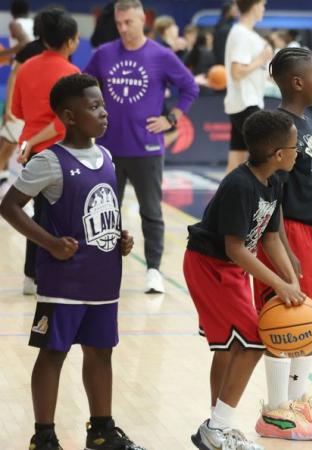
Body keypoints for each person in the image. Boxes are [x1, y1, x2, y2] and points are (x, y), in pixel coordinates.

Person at [0, 73, 143, 450]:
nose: (103, 112)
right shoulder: (49, 161)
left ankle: (101, 431)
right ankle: (43, 436)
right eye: (93, 106)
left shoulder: (107, 156)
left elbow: (101, 208)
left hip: (103, 277)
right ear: (69, 115)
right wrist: (48, 242)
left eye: (102, 104)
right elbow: (9, 206)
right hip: (64, 281)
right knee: (53, 353)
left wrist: (120, 235)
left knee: (101, 352)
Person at [184, 110, 312, 450]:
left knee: (230, 346)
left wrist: (294, 284)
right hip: (210, 265)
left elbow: (271, 239)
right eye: (294, 147)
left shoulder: (275, 180)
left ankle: (216, 426)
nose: (298, 152)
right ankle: (217, 427)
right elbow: (234, 248)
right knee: (253, 340)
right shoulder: (239, 185)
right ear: (277, 154)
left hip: (230, 267)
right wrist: (279, 284)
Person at [252, 46, 312, 437]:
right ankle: (274, 410)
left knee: (311, 318)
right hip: (289, 233)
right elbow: (275, 195)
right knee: (284, 319)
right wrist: (286, 249)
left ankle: (299, 399)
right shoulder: (280, 127)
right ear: (297, 82)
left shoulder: (309, 122)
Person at [84, 0, 199, 294]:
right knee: (106, 214)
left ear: (142, 19)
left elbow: (190, 87)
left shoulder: (161, 55)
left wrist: (170, 118)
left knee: (151, 212)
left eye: (128, 22)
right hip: (108, 149)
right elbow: (83, 86)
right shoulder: (104, 53)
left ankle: (153, 271)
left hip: (146, 149)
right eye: (119, 23)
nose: (123, 28)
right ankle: (102, 270)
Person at [12, 7, 81, 296]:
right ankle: (49, 275)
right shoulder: (72, 74)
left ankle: (31, 275)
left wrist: (30, 140)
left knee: (36, 216)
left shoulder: (26, 67)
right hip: (59, 153)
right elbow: (62, 122)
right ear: (69, 41)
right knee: (59, 216)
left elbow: (16, 110)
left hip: (28, 151)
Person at [223, 0, 273, 172]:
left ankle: (223, 199)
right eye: (262, 5)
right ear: (254, 6)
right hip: (246, 103)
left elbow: (257, 71)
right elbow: (236, 72)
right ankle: (261, 198)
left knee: (236, 162)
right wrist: (261, 59)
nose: (263, 9)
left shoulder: (249, 35)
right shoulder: (241, 34)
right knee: (268, 155)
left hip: (244, 102)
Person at [0, 0, 35, 194]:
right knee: (7, 138)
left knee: (10, 136)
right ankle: (3, 179)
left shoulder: (15, 24)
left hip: (23, 75)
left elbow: (24, 44)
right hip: (30, 77)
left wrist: (8, 53)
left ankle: (3, 180)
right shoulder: (32, 23)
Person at [213, 1, 238, 66]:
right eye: (234, 10)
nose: (236, 12)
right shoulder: (225, 29)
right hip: (223, 66)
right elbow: (222, 53)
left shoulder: (221, 25)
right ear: (228, 12)